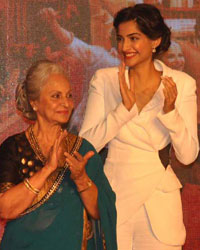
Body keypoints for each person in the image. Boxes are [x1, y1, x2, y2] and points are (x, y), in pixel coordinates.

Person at [79, 3, 199, 250]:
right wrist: (123, 110)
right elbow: (86, 146)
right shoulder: (104, 80)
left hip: (160, 202)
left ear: (155, 41)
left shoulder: (182, 83)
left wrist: (170, 113)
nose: (124, 47)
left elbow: (188, 156)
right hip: (114, 197)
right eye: (121, 39)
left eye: (134, 38)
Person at [0, 60, 117, 250]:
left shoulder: (82, 149)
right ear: (34, 102)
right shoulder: (13, 147)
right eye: (56, 96)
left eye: (69, 96)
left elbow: (100, 211)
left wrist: (81, 179)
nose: (66, 103)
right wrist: (47, 169)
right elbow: (5, 209)